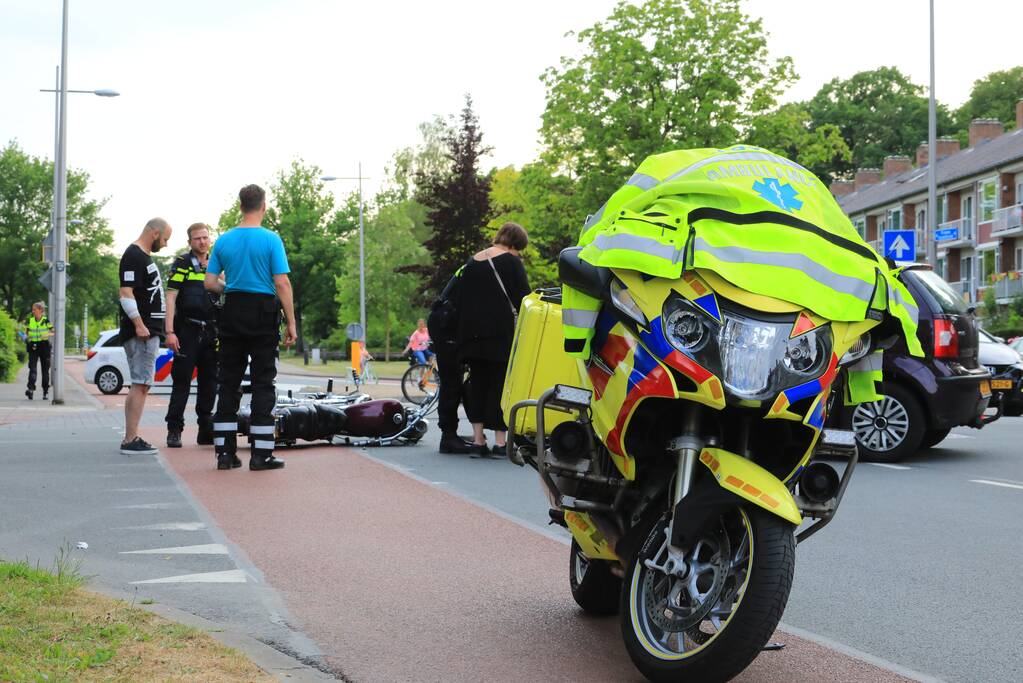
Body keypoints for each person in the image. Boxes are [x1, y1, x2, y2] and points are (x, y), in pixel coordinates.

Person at [205, 184, 296, 471]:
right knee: (262, 383)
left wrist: (229, 288)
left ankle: (224, 453)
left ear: (241, 206)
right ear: (263, 206)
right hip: (262, 314)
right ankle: (261, 454)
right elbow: (281, 283)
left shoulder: (223, 241)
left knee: (228, 383)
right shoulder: (271, 240)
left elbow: (209, 283)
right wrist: (291, 322)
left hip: (231, 312)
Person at [455, 222, 530, 458]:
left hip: (470, 334)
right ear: (515, 244)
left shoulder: (471, 262)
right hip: (499, 333)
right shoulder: (511, 262)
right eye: (520, 250)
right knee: (499, 384)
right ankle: (500, 442)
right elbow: (524, 300)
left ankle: (478, 440)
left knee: (477, 383)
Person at [118, 217, 172, 455]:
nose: (166, 244)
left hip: (149, 331)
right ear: (154, 233)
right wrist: (139, 324)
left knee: (139, 384)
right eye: (165, 238)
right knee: (141, 384)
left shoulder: (142, 256)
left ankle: (130, 436)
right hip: (143, 332)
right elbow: (125, 292)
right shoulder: (134, 255)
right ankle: (130, 439)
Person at [164, 223, 219, 448]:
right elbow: (171, 297)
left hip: (211, 331)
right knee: (182, 382)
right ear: (190, 242)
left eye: (205, 237)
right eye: (197, 238)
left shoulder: (216, 264)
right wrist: (169, 331)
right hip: (187, 330)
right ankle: (174, 429)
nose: (202, 242)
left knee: (209, 383)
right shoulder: (183, 264)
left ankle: (205, 429)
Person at [428, 267, 473, 454]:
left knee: (453, 382)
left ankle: (451, 434)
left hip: (446, 323)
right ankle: (448, 437)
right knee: (451, 383)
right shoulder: (478, 268)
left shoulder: (472, 266)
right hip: (447, 326)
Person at [23, 302, 54, 400]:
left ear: (40, 310)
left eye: (34, 309)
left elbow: (53, 331)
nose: (33, 311)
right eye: (32, 309)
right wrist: (25, 336)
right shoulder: (30, 320)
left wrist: (46, 335)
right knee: (32, 369)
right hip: (33, 346)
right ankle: (30, 390)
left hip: (44, 346)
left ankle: (45, 392)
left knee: (45, 370)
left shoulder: (45, 321)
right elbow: (27, 332)